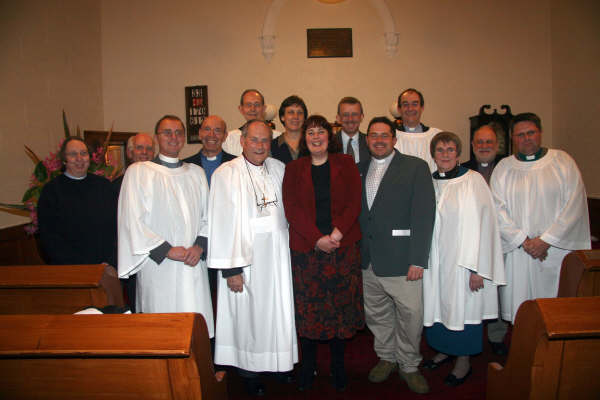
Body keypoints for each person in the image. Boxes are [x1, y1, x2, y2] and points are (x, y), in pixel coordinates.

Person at [207, 119, 297, 396]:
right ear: (242, 141)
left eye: (265, 140)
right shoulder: (226, 173)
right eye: (254, 140)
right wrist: (231, 269)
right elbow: (220, 222)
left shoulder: (279, 169)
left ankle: (278, 363)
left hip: (278, 257)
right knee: (248, 317)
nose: (260, 146)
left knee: (276, 312)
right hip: (245, 259)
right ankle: (249, 371)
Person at [282, 115, 364, 392]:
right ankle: (308, 366)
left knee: (339, 310)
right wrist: (317, 238)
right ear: (304, 139)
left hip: (343, 249)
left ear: (329, 137)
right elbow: (292, 209)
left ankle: (338, 367)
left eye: (321, 132)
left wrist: (336, 234)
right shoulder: (293, 169)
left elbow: (355, 202)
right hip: (307, 251)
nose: (316, 137)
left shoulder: (346, 164)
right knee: (309, 312)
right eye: (310, 132)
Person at [358, 117, 435, 394]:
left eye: (384, 135)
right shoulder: (358, 168)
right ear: (367, 140)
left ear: (394, 139)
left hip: (403, 259)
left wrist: (418, 259)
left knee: (410, 315)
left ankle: (410, 364)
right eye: (373, 135)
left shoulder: (416, 167)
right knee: (377, 314)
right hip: (367, 259)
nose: (379, 140)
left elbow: (424, 215)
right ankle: (387, 356)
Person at [422, 132, 505, 387]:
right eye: (440, 150)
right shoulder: (429, 182)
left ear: (458, 154)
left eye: (450, 150)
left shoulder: (473, 181)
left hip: (463, 264)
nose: (445, 154)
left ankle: (464, 360)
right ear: (433, 154)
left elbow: (486, 224)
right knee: (438, 306)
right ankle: (445, 350)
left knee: (463, 308)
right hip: (435, 263)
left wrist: (478, 268)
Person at [491, 112, 590, 324]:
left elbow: (574, 205)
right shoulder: (504, 168)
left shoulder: (562, 162)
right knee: (521, 313)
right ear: (513, 139)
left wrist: (545, 240)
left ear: (540, 133)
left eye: (530, 133)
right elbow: (497, 209)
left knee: (555, 312)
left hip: (553, 251)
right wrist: (523, 241)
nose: (526, 138)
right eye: (520, 135)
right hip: (518, 251)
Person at [117, 115, 213, 334]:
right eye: (167, 132)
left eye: (179, 132)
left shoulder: (196, 173)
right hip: (158, 265)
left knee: (194, 327)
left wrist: (199, 247)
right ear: (156, 138)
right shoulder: (139, 172)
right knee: (161, 329)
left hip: (192, 262)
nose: (174, 137)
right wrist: (167, 250)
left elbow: (209, 216)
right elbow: (132, 220)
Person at [463, 124, 509, 355]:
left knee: (499, 288)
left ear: (497, 145)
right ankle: (471, 335)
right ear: (472, 146)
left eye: (489, 142)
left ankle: (497, 335)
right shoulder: (462, 170)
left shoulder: (508, 168)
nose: (484, 146)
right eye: (479, 142)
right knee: (473, 289)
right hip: (472, 240)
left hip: (504, 241)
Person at [38, 137, 117, 266]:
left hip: (106, 266)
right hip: (71, 269)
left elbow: (117, 226)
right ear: (64, 160)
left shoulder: (104, 186)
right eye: (73, 154)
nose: (79, 158)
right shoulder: (52, 191)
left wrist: (110, 261)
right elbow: (50, 237)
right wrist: (80, 266)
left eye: (84, 153)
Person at [112, 132, 155, 312]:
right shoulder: (116, 185)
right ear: (130, 153)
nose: (144, 152)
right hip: (130, 253)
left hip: (155, 255)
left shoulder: (160, 178)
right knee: (135, 304)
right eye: (139, 148)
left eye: (149, 148)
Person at [222, 89, 281, 156]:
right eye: (248, 105)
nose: (252, 109)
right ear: (241, 109)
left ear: (264, 108)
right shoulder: (229, 139)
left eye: (257, 104)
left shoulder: (278, 138)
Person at [394, 88, 442, 172]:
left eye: (415, 104)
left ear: (422, 108)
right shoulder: (391, 137)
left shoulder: (437, 136)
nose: (410, 108)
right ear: (399, 109)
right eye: (405, 104)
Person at [184, 115, 235, 186]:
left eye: (217, 130)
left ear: (225, 136)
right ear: (200, 133)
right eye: (207, 129)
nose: (211, 135)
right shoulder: (185, 165)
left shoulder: (236, 164)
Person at [271, 95, 310, 164]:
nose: (295, 117)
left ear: (304, 118)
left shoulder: (312, 144)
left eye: (299, 113)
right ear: (282, 117)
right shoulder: (271, 146)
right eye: (291, 112)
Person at [333, 96, 370, 164]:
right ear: (338, 118)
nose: (350, 119)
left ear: (361, 117)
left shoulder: (370, 142)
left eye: (354, 114)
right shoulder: (329, 143)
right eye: (345, 115)